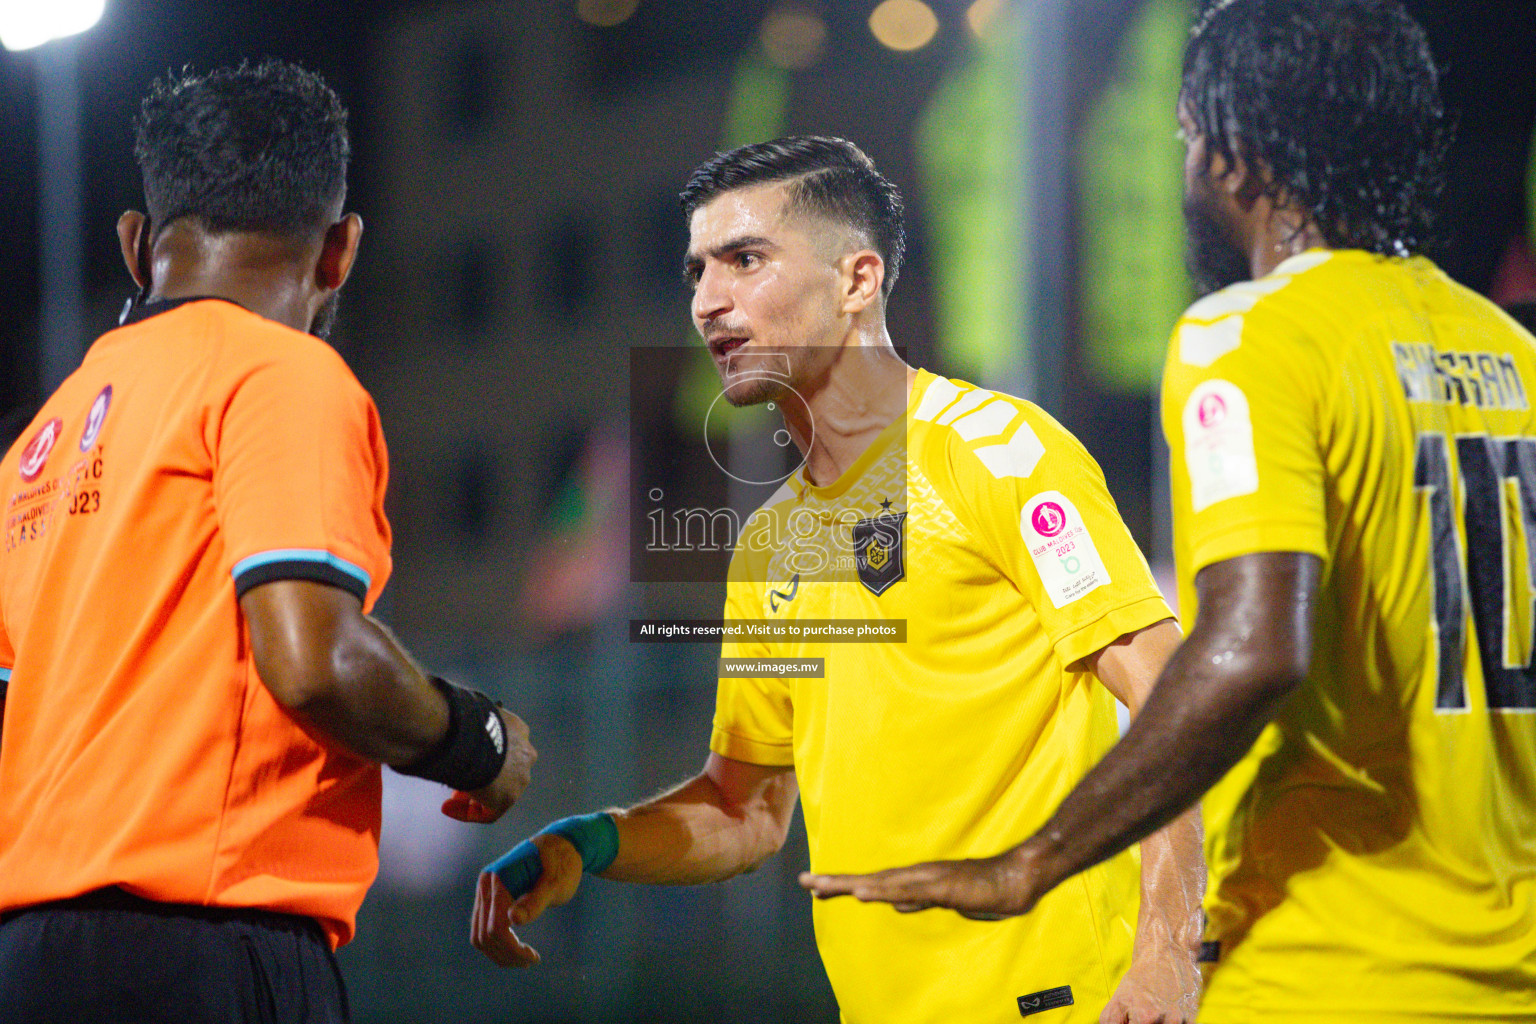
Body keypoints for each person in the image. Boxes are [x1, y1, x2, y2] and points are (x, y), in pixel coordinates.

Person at [802, 2, 1536, 1021]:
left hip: (1325, 969)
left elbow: (1251, 647)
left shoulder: (1249, 337)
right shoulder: (1513, 354)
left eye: (1188, 138)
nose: (1186, 169)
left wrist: (1034, 859)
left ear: (1238, 154)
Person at [472, 136, 1203, 1024]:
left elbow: (1174, 697)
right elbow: (746, 809)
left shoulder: (998, 453)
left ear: (857, 281)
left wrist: (1169, 949)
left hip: (1055, 1002)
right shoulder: (776, 540)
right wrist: (591, 842)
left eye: (745, 260)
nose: (708, 300)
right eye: (697, 270)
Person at [0, 60, 537, 1023]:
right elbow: (314, 658)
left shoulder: (40, 441)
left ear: (136, 246)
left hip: (27, 957)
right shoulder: (285, 374)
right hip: (206, 950)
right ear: (340, 250)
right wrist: (475, 739)